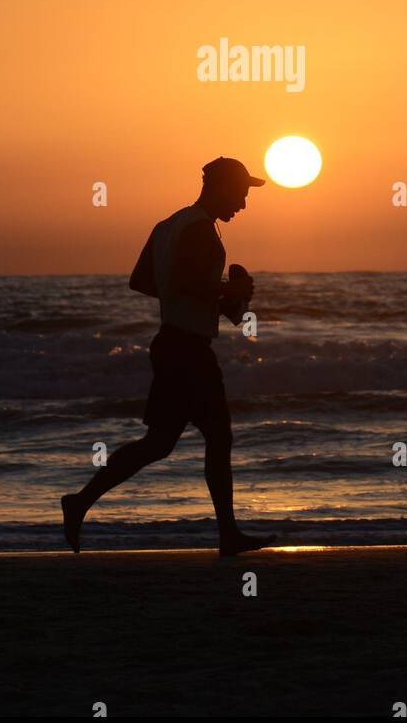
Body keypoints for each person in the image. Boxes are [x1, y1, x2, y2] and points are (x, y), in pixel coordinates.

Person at [61, 157, 275, 556]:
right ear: (223, 187)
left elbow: (143, 281)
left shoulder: (169, 225)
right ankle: (228, 535)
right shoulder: (200, 231)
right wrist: (231, 291)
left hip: (172, 344)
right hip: (188, 351)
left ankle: (80, 502)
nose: (243, 205)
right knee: (217, 438)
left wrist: (205, 297)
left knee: (160, 443)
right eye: (242, 194)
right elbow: (188, 283)